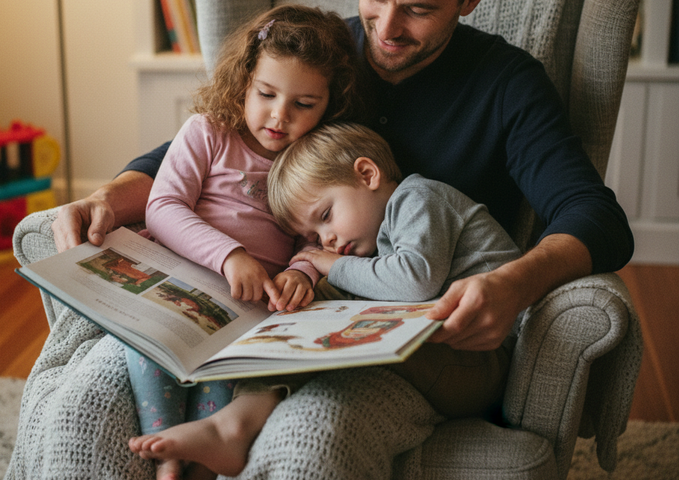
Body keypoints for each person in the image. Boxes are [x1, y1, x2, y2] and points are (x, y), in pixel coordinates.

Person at [48, 0, 634, 477]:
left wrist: (512, 283)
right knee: (84, 409)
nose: (386, 26)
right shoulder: (324, 52)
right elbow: (206, 143)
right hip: (263, 304)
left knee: (309, 439)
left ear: (468, 2)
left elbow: (594, 215)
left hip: (402, 337)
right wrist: (107, 198)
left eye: (419, 8)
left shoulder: (506, 83)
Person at [129, 121, 524, 477]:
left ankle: (231, 427)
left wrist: (328, 265)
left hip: (480, 356)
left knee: (335, 342)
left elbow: (414, 282)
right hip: (440, 351)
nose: (327, 240)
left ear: (367, 174)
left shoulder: (418, 198)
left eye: (326, 216)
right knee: (305, 329)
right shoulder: (374, 239)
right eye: (315, 238)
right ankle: (232, 427)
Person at [122, 6, 365, 480]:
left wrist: (301, 272)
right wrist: (231, 257)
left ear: (330, 104)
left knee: (228, 386)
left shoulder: (311, 163)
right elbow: (164, 205)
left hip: (247, 314)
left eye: (304, 104)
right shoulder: (208, 133)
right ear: (244, 81)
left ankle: (198, 456)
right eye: (266, 93)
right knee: (147, 346)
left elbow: (315, 239)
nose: (280, 116)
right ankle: (166, 447)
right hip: (176, 289)